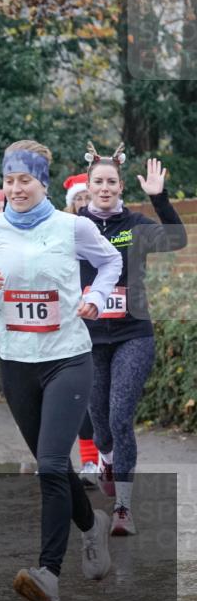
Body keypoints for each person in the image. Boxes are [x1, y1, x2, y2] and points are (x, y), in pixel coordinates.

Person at [0, 139, 121, 601]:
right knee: (54, 467)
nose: (15, 188)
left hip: (68, 357)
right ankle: (92, 527)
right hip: (16, 362)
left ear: (42, 182)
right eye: (9, 181)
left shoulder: (73, 226)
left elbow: (111, 261)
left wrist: (98, 297)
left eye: (24, 180)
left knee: (49, 466)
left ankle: (48, 574)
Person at [79, 143, 187, 535]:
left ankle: (123, 508)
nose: (105, 188)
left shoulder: (135, 225)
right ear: (88, 186)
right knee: (101, 425)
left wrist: (158, 197)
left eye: (111, 182)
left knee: (121, 417)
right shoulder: (74, 227)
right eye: (98, 182)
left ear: (121, 186)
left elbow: (177, 240)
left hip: (132, 334)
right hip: (89, 338)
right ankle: (105, 458)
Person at [58, 172, 101, 487]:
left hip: (108, 319)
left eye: (88, 197)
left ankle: (99, 458)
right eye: (79, 200)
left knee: (100, 396)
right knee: (78, 394)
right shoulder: (63, 233)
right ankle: (83, 460)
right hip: (73, 317)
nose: (84, 204)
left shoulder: (112, 228)